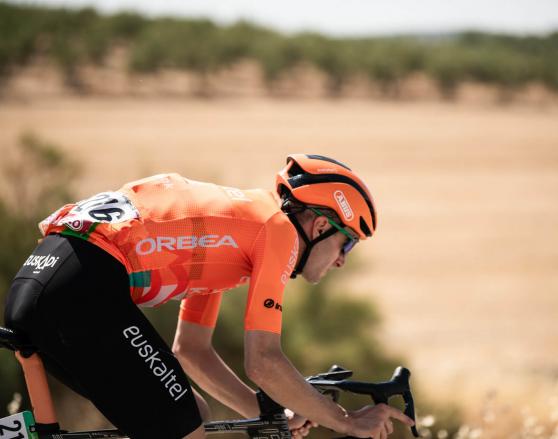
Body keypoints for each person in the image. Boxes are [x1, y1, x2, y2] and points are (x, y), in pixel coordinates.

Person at [4, 154, 415, 439]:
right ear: (317, 223)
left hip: (39, 281)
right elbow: (264, 360)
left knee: (186, 416)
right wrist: (345, 421)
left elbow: (193, 350)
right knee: (182, 421)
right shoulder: (278, 230)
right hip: (82, 285)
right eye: (348, 244)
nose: (343, 261)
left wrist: (269, 412)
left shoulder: (235, 235)